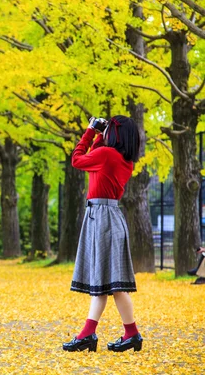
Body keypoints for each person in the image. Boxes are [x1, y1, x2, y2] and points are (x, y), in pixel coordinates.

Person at [62, 116, 142, 353]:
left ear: (114, 135)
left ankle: (96, 335)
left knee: (108, 284)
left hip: (101, 217)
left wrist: (90, 131)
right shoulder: (122, 159)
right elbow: (96, 153)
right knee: (109, 284)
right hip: (109, 216)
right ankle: (124, 334)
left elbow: (77, 159)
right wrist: (100, 134)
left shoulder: (106, 155)